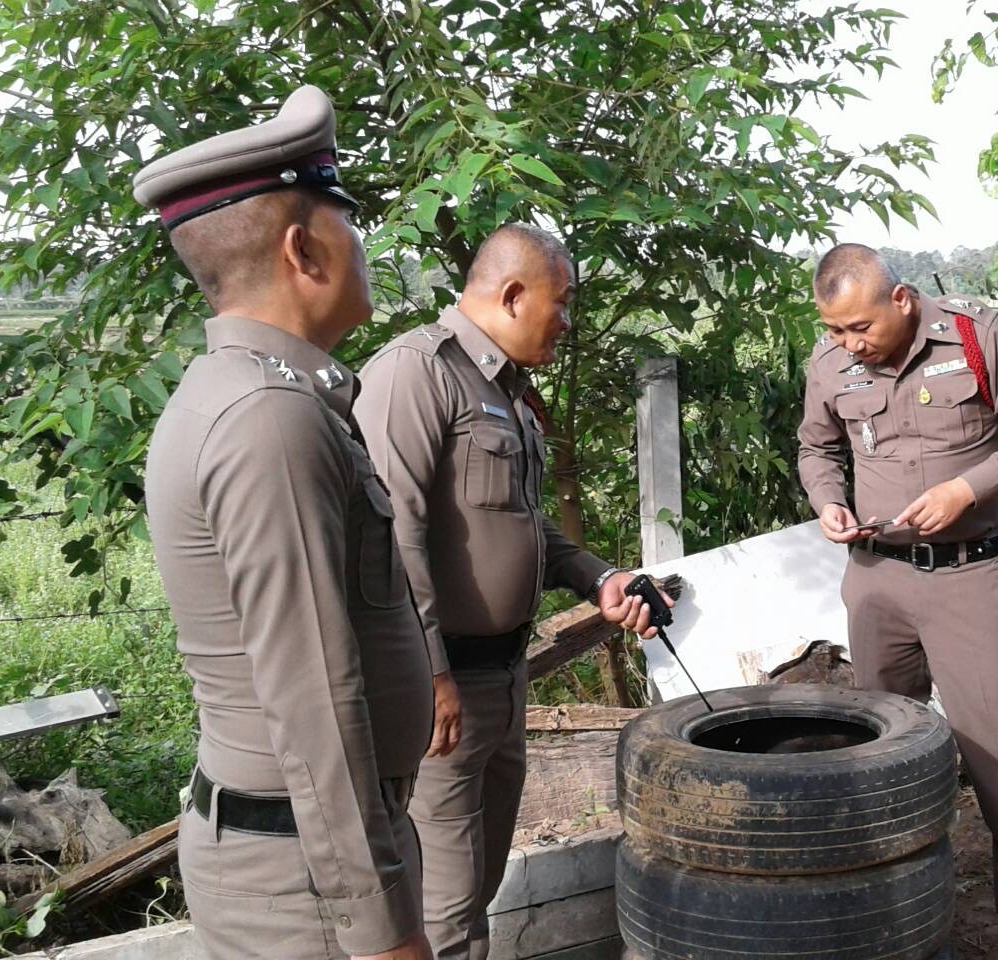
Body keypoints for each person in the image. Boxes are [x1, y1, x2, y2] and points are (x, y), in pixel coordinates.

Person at [135, 86, 435, 960]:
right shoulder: (269, 415)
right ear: (305, 248)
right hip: (309, 878)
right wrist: (381, 927)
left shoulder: (261, 395)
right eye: (350, 221)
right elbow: (314, 696)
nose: (365, 245)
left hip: (306, 855)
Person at [354, 223, 667, 959]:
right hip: (444, 690)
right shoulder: (417, 374)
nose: (568, 322)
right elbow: (391, 536)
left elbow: (526, 530)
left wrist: (602, 578)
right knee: (445, 912)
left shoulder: (506, 392)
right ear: (513, 293)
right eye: (562, 305)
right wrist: (430, 673)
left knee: (477, 885)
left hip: (502, 678)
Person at [796, 244, 998, 960]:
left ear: (901, 301)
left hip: (969, 579)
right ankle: (899, 914)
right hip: (875, 581)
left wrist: (968, 489)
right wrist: (829, 502)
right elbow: (816, 449)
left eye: (858, 327)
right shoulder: (828, 366)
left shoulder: (976, 334)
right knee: (881, 754)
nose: (847, 344)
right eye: (834, 330)